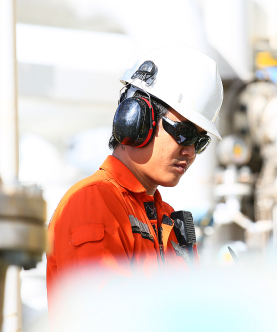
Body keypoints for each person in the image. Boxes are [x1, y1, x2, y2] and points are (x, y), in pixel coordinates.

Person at [46, 45, 223, 311]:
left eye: (200, 142)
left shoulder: (169, 221)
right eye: (184, 133)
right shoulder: (93, 202)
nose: (189, 151)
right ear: (138, 119)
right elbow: (104, 325)